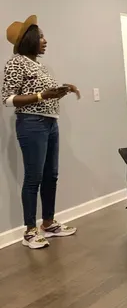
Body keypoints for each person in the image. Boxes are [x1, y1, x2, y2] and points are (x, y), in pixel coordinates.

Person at [2, 15, 79, 249]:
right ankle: (29, 231)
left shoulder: (38, 65)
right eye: (41, 37)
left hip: (50, 123)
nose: (45, 41)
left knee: (51, 176)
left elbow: (44, 93)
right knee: (33, 178)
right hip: (31, 124)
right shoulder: (16, 62)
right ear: (28, 40)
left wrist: (62, 89)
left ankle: (48, 223)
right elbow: (7, 99)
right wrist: (42, 96)